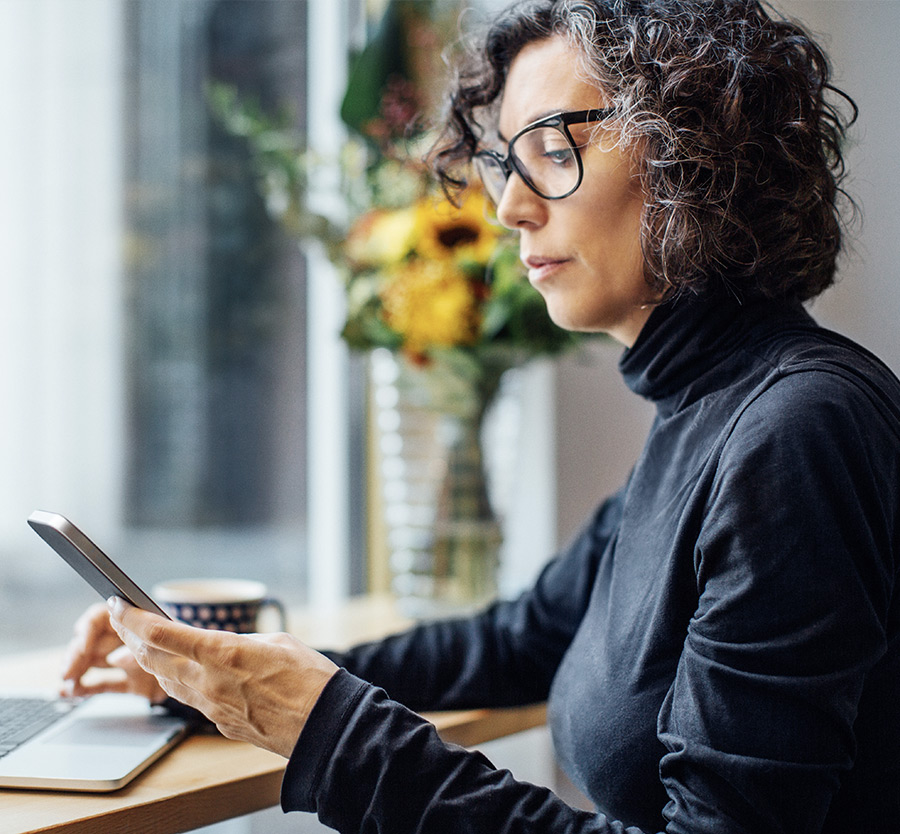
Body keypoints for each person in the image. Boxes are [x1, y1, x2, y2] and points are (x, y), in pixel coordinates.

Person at [62, 1, 900, 832]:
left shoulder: (798, 430)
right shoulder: (706, 410)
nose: (509, 209)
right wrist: (232, 679)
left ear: (697, 152)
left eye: (550, 148)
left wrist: (333, 732)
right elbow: (523, 640)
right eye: (508, 160)